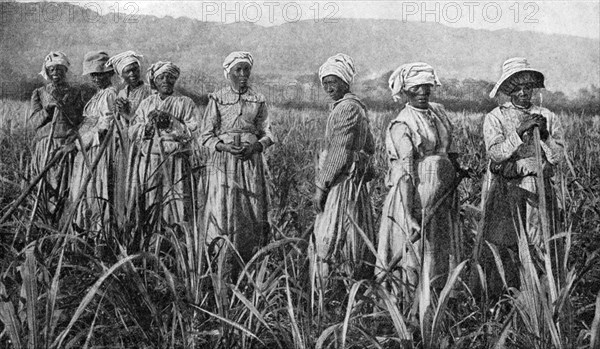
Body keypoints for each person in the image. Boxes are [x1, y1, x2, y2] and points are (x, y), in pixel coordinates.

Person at [376, 62, 462, 294]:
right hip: (416, 196)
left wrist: (455, 169)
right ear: (405, 91)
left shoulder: (438, 112)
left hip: (443, 194)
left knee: (442, 250)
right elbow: (405, 173)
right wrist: (409, 214)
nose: (423, 92)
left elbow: (449, 147)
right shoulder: (402, 124)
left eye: (426, 87)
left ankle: (440, 298)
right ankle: (411, 303)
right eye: (416, 88)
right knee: (418, 253)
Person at [482, 57, 564, 293]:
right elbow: (496, 154)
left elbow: (558, 158)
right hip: (509, 190)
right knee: (509, 242)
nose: (523, 93)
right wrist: (519, 132)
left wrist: (545, 135)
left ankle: (541, 295)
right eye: (517, 88)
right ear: (508, 90)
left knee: (541, 241)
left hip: (541, 188)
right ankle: (508, 297)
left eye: (528, 87)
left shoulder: (547, 116)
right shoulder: (496, 117)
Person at [200, 51, 274, 278]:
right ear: (228, 73)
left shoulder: (258, 100)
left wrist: (254, 147)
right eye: (237, 70)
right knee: (223, 207)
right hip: (224, 163)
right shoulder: (217, 99)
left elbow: (269, 133)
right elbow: (205, 135)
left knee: (250, 210)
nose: (243, 75)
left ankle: (249, 263)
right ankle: (221, 259)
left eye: (246, 70)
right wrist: (225, 147)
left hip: (251, 164)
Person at [310, 53, 376, 283]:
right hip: (352, 182)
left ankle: (334, 288)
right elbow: (370, 145)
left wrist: (321, 186)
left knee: (335, 233)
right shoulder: (355, 107)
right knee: (355, 232)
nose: (329, 87)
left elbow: (339, 151)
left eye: (333, 82)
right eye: (325, 83)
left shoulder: (346, 109)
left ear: (345, 82)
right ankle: (351, 284)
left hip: (342, 183)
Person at [129, 61, 200, 224]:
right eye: (161, 77)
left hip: (175, 160)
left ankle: (176, 239)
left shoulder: (185, 102)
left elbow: (195, 130)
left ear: (175, 80)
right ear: (155, 81)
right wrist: (148, 126)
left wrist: (172, 122)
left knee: (177, 200)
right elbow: (133, 130)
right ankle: (152, 239)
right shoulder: (147, 103)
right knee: (151, 199)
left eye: (170, 77)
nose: (166, 81)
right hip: (151, 160)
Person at [29, 51, 84, 222]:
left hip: (66, 146)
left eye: (60, 69)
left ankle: (62, 227)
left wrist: (66, 108)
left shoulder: (75, 93)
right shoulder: (39, 93)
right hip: (45, 146)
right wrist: (47, 111)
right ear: (46, 71)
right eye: (52, 69)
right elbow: (33, 123)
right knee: (44, 189)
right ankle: (42, 227)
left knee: (65, 189)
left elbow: (80, 121)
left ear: (65, 71)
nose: (56, 73)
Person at [70, 51, 117, 230]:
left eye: (101, 75)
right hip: (86, 148)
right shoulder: (99, 95)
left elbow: (106, 125)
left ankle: (97, 231)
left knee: (95, 188)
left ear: (109, 74)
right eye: (94, 75)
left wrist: (83, 141)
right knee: (84, 188)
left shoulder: (110, 94)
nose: (96, 78)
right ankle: (84, 228)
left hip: (97, 149)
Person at [106, 51, 153, 124]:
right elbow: (118, 121)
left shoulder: (150, 91)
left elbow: (149, 122)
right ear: (121, 75)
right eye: (127, 71)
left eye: (135, 69)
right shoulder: (122, 93)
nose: (132, 74)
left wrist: (125, 114)